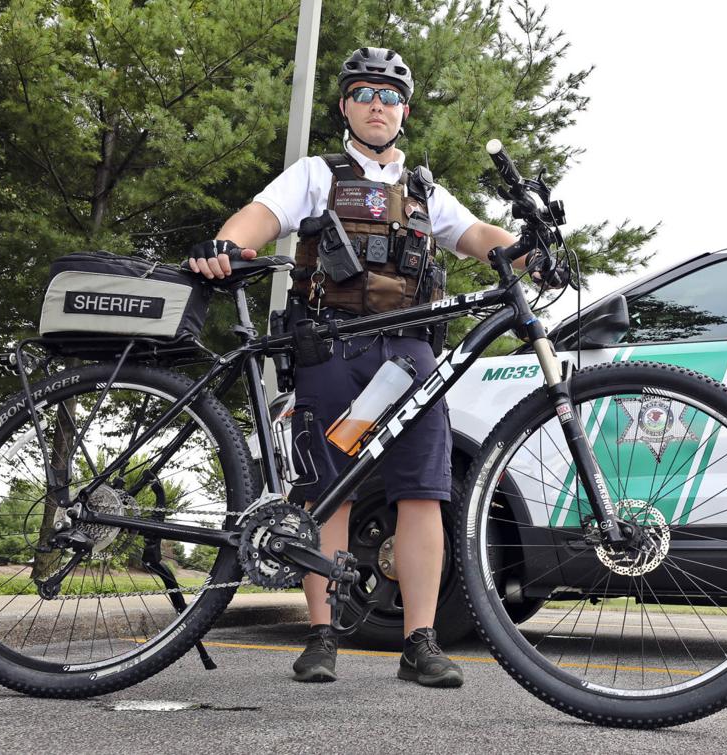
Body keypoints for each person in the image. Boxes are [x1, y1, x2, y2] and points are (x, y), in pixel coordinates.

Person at [187, 47, 518, 689]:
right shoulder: (317, 173)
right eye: (364, 92)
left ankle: (419, 642)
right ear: (345, 105)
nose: (377, 104)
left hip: (410, 354)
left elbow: (477, 235)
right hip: (334, 348)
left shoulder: (424, 191)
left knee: (423, 492)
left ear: (404, 112)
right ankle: (322, 634)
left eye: (389, 95)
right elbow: (263, 214)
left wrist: (524, 253)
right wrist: (230, 242)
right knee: (326, 490)